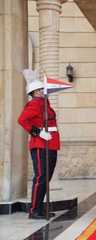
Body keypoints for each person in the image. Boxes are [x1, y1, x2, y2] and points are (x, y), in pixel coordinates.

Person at [18, 69, 59, 219]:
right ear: (34, 93)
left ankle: (40, 208)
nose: (43, 91)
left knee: (45, 178)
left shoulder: (45, 103)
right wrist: (38, 133)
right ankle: (34, 210)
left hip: (51, 144)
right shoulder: (35, 103)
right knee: (41, 177)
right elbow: (22, 120)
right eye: (41, 89)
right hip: (40, 144)